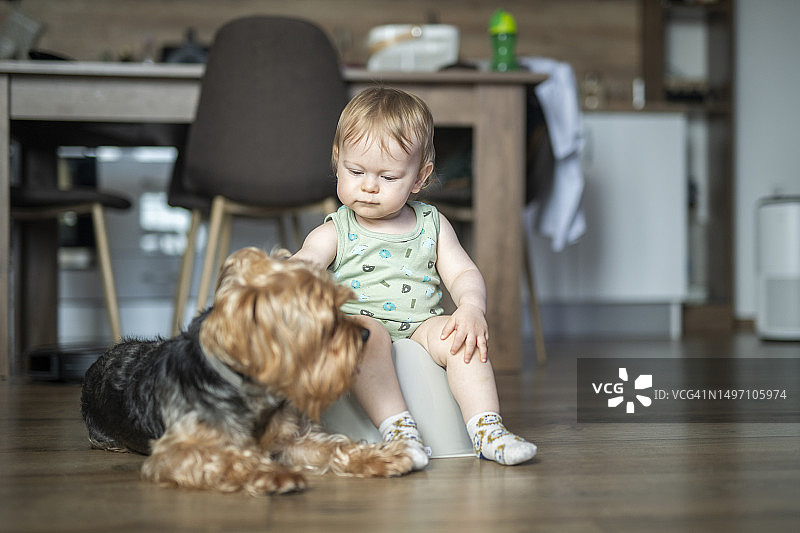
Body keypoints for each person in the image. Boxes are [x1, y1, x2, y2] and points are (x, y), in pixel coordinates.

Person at [293, 87, 537, 468]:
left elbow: (463, 272)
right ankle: (400, 431)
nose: (369, 186)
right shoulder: (335, 230)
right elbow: (306, 261)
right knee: (365, 334)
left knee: (461, 342)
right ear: (338, 163)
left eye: (388, 176)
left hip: (420, 327)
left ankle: (488, 429)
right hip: (358, 328)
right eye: (355, 172)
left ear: (419, 179)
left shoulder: (432, 224)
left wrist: (471, 308)